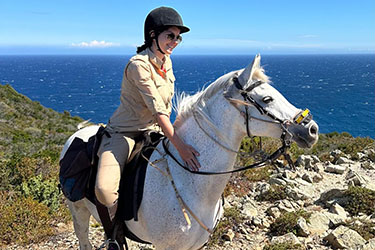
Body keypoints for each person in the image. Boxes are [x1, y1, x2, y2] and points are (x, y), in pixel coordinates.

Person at [95, 6, 201, 222]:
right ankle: (113, 233)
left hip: (153, 131)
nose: (174, 42)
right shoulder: (138, 65)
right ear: (153, 34)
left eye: (178, 38)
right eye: (170, 35)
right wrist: (180, 146)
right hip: (125, 132)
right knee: (105, 190)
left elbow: (167, 106)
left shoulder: (166, 61)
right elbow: (158, 109)